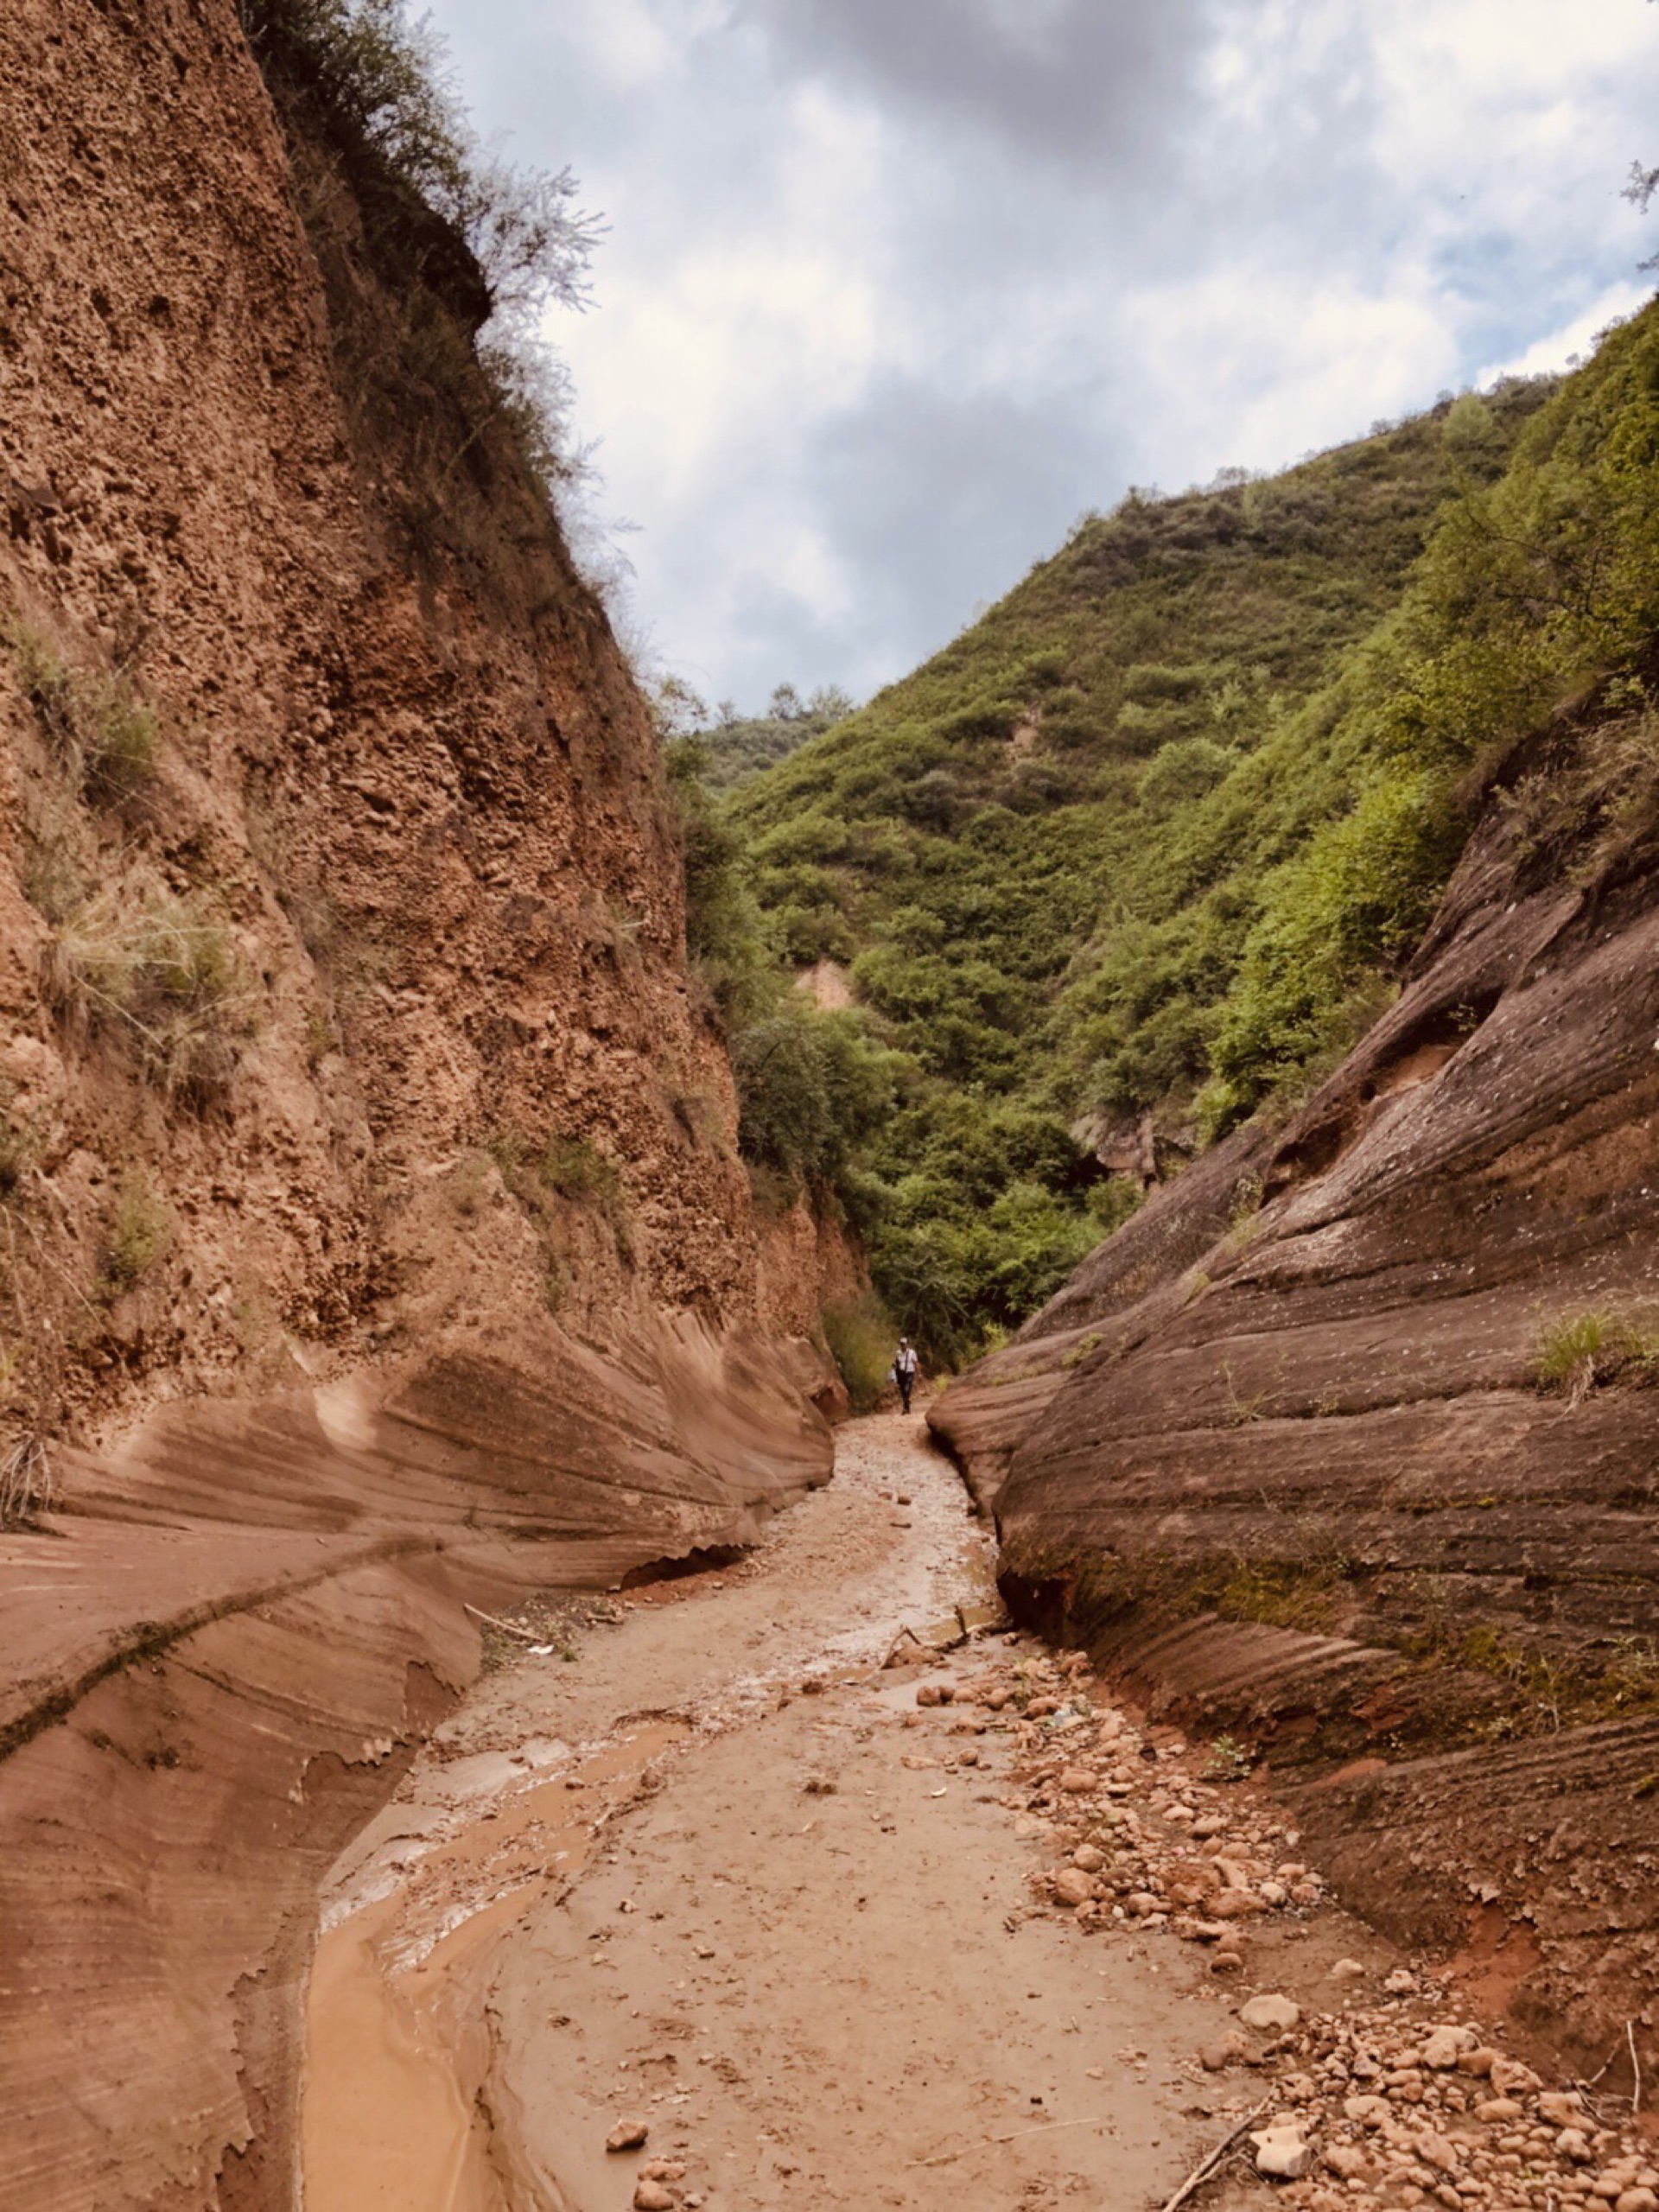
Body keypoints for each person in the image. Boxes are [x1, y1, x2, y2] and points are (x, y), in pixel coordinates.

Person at [891, 1336, 919, 1414]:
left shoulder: (912, 1352)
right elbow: (896, 1363)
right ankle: (907, 1408)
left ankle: (905, 1408)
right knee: (903, 1391)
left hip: (909, 1373)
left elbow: (915, 1363)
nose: (903, 1346)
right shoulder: (898, 1353)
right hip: (901, 1374)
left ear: (907, 1344)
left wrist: (918, 1374)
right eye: (901, 1344)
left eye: (904, 1344)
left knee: (907, 1390)